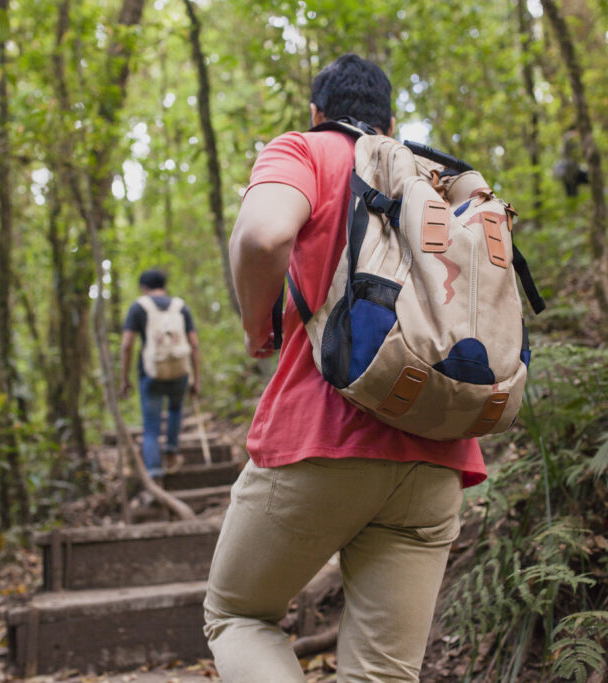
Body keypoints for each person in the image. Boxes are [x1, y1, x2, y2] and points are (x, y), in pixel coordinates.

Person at [203, 54, 488, 682]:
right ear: (389, 119)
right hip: (436, 454)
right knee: (383, 674)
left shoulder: (304, 150)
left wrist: (260, 323)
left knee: (237, 616)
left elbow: (261, 237)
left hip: (322, 435)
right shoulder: (437, 172)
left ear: (316, 113)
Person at [119, 268, 200, 478]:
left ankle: (154, 472)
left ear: (144, 287)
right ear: (164, 286)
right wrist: (196, 379)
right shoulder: (181, 307)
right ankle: (171, 451)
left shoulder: (138, 307)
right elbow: (194, 344)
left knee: (151, 426)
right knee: (175, 410)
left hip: (150, 373)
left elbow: (127, 345)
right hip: (180, 372)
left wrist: (124, 378)